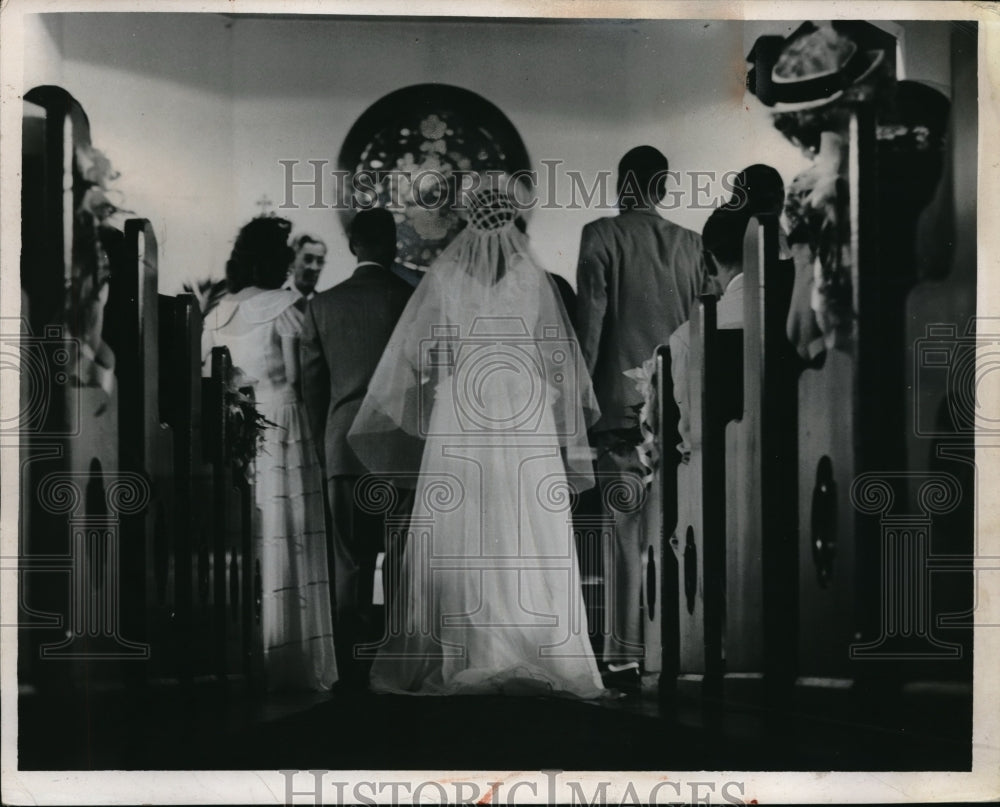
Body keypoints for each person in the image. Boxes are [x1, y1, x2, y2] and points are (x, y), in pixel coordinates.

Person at [348, 187, 607, 699]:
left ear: (465, 224)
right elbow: (555, 357)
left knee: (461, 522)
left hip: (463, 408)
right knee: (524, 524)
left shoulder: (444, 277)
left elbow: (419, 359)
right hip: (522, 411)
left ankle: (464, 643)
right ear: (513, 224)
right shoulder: (533, 278)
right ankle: (538, 642)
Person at [574, 145, 707, 676]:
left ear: (621, 182)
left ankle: (627, 655)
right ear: (664, 187)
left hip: (622, 411)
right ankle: (678, 649)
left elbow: (590, 328)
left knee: (627, 537)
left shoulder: (601, 235)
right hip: (680, 406)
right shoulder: (693, 245)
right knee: (680, 527)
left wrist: (578, 407)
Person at [203, 216, 337, 692]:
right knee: (290, 534)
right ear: (278, 259)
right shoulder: (287, 305)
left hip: (236, 429)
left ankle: (250, 653)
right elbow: (301, 380)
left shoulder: (218, 310)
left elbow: (211, 377)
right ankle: (292, 654)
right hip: (283, 425)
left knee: (250, 535)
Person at [300, 208, 415, 691]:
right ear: (394, 246)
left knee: (350, 561)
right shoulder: (413, 302)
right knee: (401, 560)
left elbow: (312, 389)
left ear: (353, 247)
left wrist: (323, 443)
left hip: (343, 448)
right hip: (402, 451)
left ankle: (349, 667)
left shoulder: (322, 305)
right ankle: (395, 661)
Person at [669, 207, 748, 459]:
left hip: (721, 476)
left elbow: (693, 438)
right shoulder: (795, 317)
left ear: (708, 262)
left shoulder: (689, 337)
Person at [286, 234, 327, 301]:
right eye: (308, 259)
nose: (314, 267)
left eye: (320, 261)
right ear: (292, 262)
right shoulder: (277, 299)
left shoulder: (323, 305)